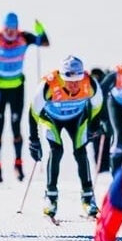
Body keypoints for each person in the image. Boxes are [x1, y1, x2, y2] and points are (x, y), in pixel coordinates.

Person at [27, 56, 106, 219]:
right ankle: (50, 197)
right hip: (51, 118)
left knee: (80, 151)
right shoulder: (49, 84)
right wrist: (33, 139)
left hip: (77, 118)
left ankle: (88, 197)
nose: (73, 85)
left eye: (77, 80)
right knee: (56, 151)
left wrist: (94, 125)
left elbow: (98, 105)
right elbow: (33, 112)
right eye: (69, 80)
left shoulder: (90, 83)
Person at [0, 12, 50, 182]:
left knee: (16, 126)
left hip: (17, 89)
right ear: (3, 28)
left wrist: (41, 30)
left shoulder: (24, 37)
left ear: (17, 28)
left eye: (13, 28)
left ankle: (18, 165)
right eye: (7, 29)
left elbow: (44, 42)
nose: (10, 32)